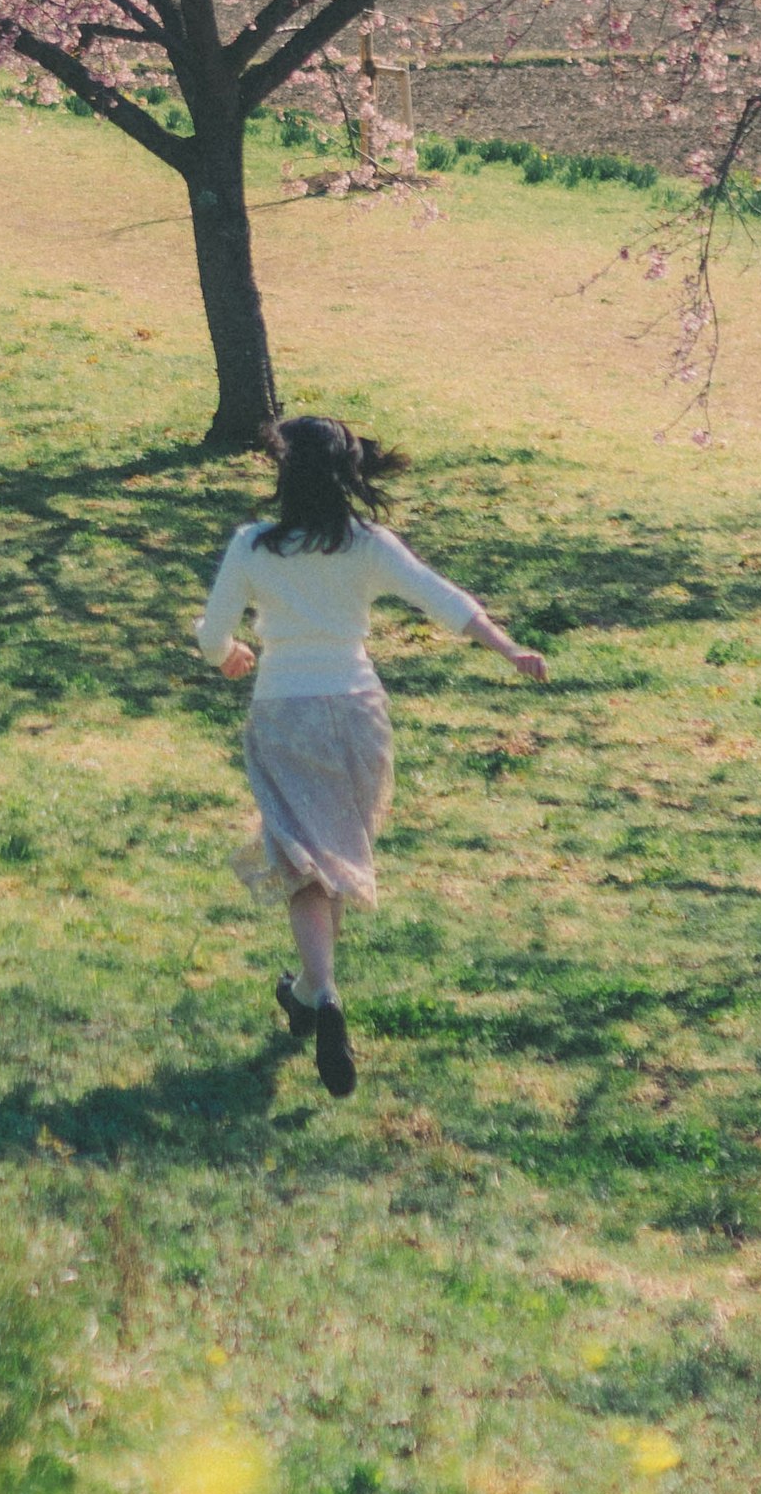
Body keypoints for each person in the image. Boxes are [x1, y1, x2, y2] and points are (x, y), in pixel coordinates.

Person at [199, 411, 544, 1096]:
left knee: (302, 860)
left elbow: (214, 633)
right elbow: (444, 600)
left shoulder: (252, 546)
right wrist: (508, 648)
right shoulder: (367, 543)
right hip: (356, 708)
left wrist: (231, 654)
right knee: (334, 852)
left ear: (284, 473)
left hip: (284, 706)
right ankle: (306, 993)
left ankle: (321, 993)